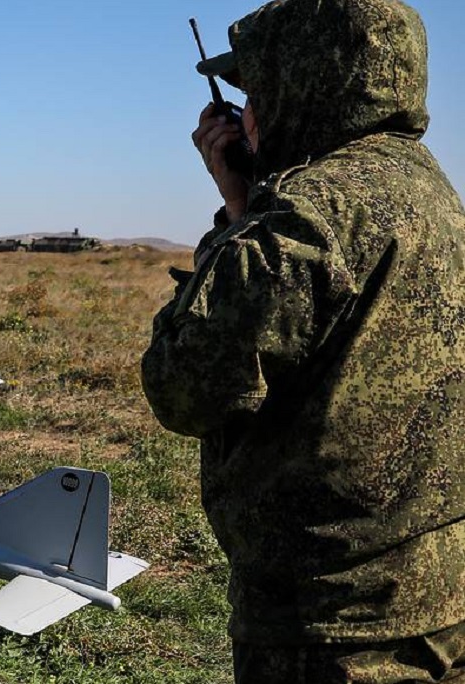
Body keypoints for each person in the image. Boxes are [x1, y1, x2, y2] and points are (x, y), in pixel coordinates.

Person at [140, 0, 465, 682]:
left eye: (255, 93)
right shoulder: (431, 191)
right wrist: (243, 205)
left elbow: (184, 386)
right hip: (441, 590)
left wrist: (237, 225)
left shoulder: (303, 219)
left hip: (331, 626)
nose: (245, 113)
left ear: (304, 85)